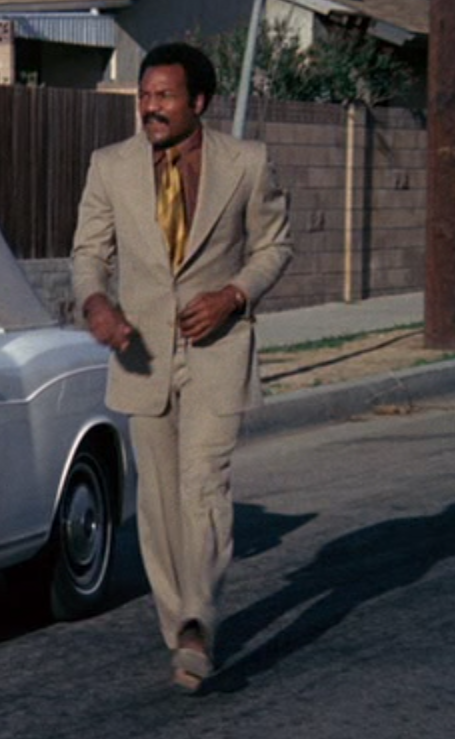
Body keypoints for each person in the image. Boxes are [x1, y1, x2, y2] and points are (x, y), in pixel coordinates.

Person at [71, 43, 293, 693]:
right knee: (160, 501)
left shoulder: (246, 163)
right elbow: (89, 253)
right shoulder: (110, 166)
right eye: (144, 96)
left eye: (164, 96)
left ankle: (198, 620)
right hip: (141, 354)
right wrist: (97, 304)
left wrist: (234, 295)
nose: (151, 107)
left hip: (218, 352)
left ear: (198, 101)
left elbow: (275, 244)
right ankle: (179, 629)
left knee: (203, 487)